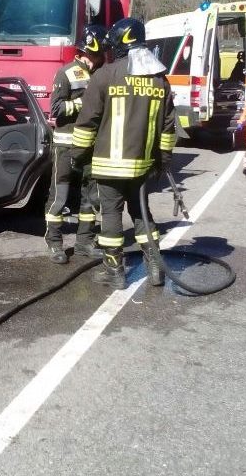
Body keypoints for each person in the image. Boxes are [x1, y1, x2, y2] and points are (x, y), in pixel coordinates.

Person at [71, 17, 177, 289]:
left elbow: (87, 123)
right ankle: (155, 268)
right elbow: (167, 129)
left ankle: (114, 272)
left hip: (108, 165)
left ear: (120, 43)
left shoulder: (104, 75)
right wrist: (162, 162)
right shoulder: (159, 81)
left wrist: (78, 156)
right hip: (142, 166)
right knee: (143, 215)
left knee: (111, 217)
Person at [44, 24, 108, 264]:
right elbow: (57, 109)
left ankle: (85, 242)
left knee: (90, 197)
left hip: (91, 146)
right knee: (59, 195)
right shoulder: (66, 72)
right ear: (89, 51)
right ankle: (55, 242)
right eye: (99, 54)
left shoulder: (100, 74)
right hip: (66, 145)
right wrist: (86, 102)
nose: (102, 59)